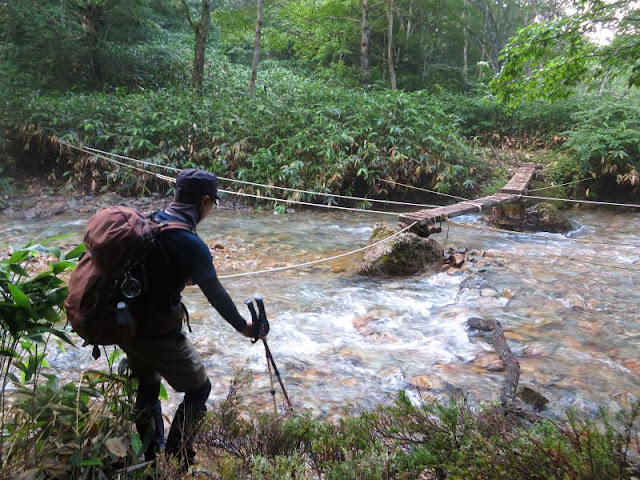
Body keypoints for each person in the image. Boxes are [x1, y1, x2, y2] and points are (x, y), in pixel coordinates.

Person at [119, 168, 259, 471]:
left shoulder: (153, 219)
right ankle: (176, 458)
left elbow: (156, 270)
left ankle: (151, 458)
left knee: (147, 385)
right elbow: (217, 294)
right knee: (199, 390)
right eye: (213, 205)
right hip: (158, 331)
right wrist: (244, 326)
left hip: (127, 324)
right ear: (205, 202)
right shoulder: (190, 243)